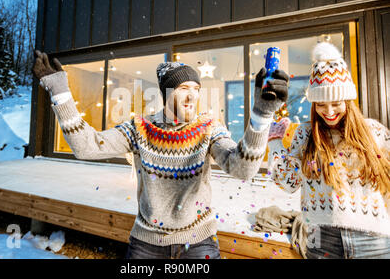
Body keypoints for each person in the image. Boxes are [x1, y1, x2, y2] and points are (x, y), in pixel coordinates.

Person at [32, 50, 289, 259]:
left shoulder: (209, 127)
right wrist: (61, 93)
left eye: (197, 89)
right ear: (166, 92)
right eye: (183, 88)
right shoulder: (139, 128)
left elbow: (242, 169)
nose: (192, 96)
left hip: (198, 243)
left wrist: (262, 116)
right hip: (147, 245)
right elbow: (87, 146)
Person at [267, 42, 390, 259]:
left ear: (348, 101)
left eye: (336, 103)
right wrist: (275, 143)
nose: (329, 111)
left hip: (374, 240)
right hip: (321, 237)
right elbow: (288, 184)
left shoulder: (375, 132)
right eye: (321, 105)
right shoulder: (306, 135)